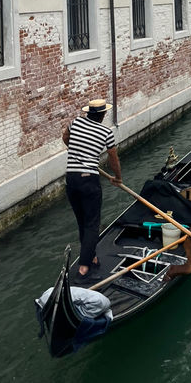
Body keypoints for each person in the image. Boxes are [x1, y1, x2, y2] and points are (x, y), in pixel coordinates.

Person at [63, 98, 122, 281]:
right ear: (103, 115)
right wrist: (118, 178)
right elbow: (113, 158)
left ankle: (92, 256)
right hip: (89, 181)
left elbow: (65, 137)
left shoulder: (76, 122)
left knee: (83, 222)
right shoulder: (106, 132)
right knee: (92, 224)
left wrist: (77, 153)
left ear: (88, 112)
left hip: (71, 179)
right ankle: (84, 268)